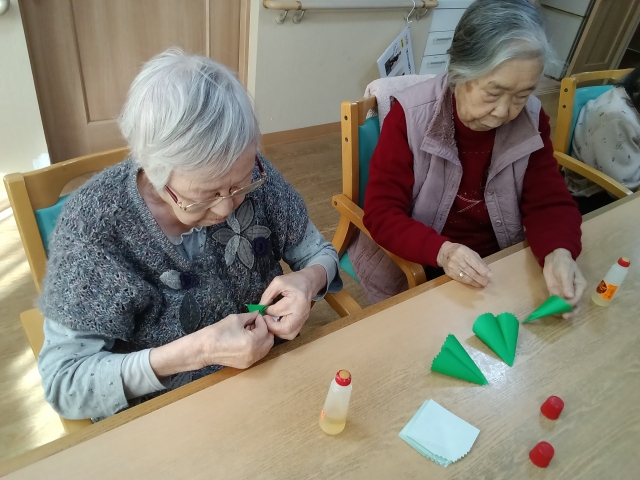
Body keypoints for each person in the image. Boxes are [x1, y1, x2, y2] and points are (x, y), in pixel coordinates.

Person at [38, 49, 342, 420]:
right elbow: (66, 383)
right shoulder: (94, 227)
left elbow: (319, 253)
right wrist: (197, 351)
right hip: (168, 414)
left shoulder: (251, 173)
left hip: (270, 382)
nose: (227, 208)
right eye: (206, 195)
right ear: (155, 172)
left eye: (239, 185)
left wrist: (309, 281)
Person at [348, 0, 586, 311]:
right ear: (460, 72)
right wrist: (443, 251)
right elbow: (382, 214)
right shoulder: (409, 117)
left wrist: (559, 251)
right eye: (493, 93)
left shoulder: (530, 119)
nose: (504, 112)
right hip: (425, 259)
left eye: (522, 95)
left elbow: (548, 201)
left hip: (498, 260)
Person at [565, 67, 640, 214]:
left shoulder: (629, 93)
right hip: (595, 192)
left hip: (620, 168)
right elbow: (626, 188)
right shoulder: (618, 118)